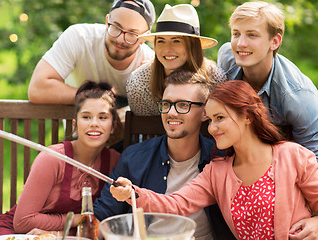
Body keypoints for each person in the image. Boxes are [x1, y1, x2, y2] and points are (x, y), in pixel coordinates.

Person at [110, 80, 318, 239]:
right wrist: (133, 193)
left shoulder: (294, 156)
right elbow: (176, 204)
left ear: (248, 116)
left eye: (220, 118)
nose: (212, 128)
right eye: (210, 120)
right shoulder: (217, 172)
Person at [94, 71, 235, 240]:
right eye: (167, 104)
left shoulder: (221, 159)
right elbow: (102, 217)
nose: (171, 113)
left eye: (183, 105)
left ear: (205, 112)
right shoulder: (134, 158)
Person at [0, 81, 120, 236]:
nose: (94, 124)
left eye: (102, 117)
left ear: (112, 126)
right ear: (75, 124)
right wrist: (77, 219)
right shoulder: (53, 158)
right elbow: (23, 222)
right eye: (86, 117)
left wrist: (57, 233)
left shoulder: (115, 161)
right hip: (20, 234)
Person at [217, 1, 318, 159]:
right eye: (236, 34)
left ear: (275, 42)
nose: (240, 44)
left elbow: (313, 157)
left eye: (252, 35)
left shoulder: (298, 95)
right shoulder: (226, 57)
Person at [28, 0, 156, 108]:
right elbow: (37, 88)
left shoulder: (150, 63)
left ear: (145, 37)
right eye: (116, 27)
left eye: (132, 34)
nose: (120, 39)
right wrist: (94, 97)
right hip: (78, 132)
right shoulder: (79, 37)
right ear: (107, 22)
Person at [126, 4, 226, 116]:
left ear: (193, 46)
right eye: (161, 41)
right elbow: (143, 130)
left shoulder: (215, 79)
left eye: (176, 41)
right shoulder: (139, 84)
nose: (167, 49)